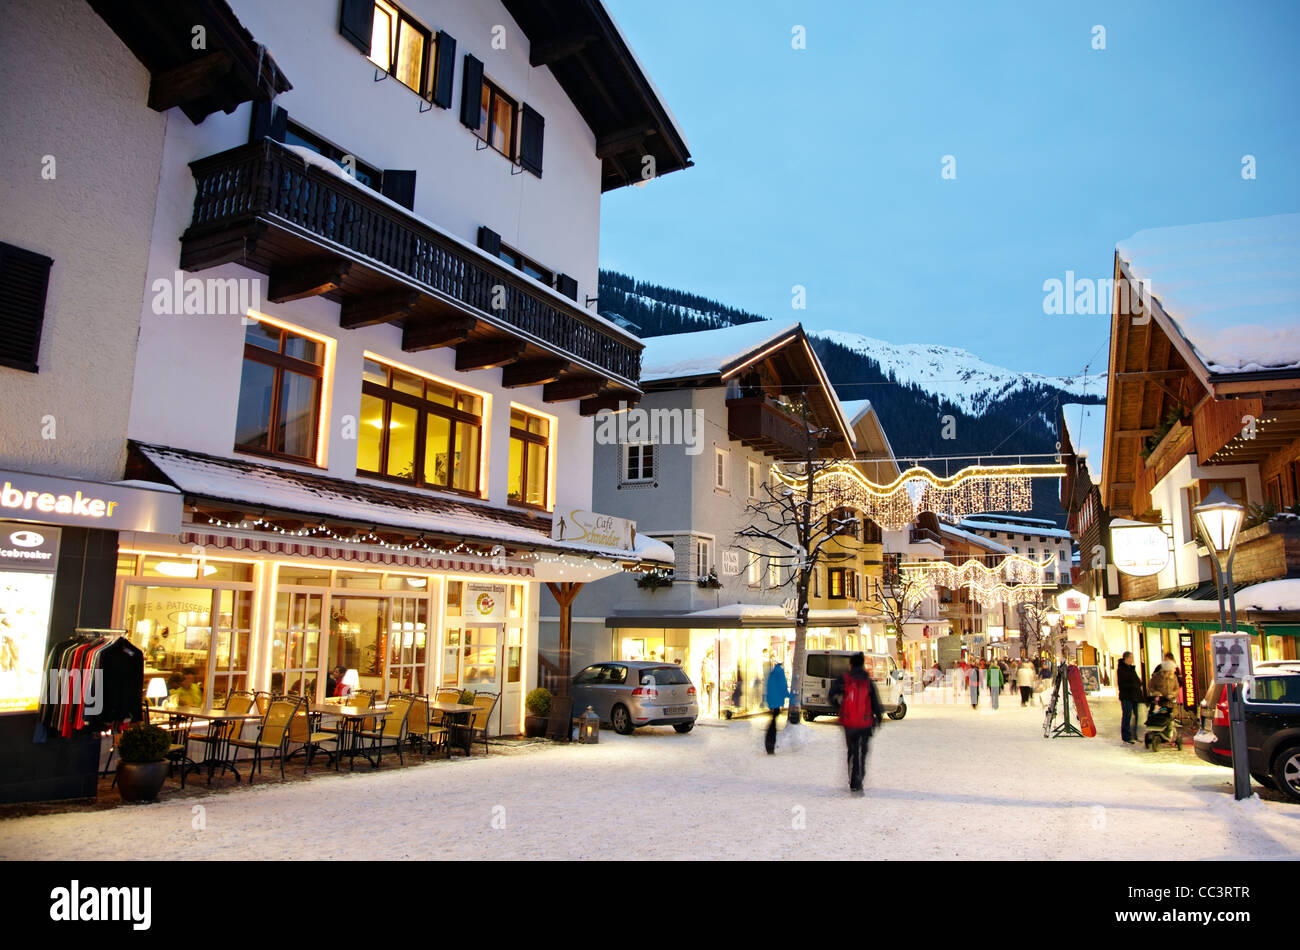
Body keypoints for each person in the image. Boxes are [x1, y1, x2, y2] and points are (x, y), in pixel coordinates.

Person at [828, 652, 884, 795]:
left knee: (852, 750)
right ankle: (859, 777)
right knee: (863, 751)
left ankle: (853, 779)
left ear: (851, 664)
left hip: (849, 722)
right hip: (865, 723)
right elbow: (875, 701)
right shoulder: (867, 680)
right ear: (862, 664)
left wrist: (839, 706)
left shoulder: (844, 679)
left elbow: (831, 696)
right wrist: (878, 717)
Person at [1116, 652, 1144, 744]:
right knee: (1127, 716)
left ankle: (1134, 735)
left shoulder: (1131, 669)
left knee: (1136, 716)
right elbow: (1123, 684)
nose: (1132, 659)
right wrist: (1134, 685)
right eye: (1131, 657)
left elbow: (1137, 681)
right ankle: (1126, 736)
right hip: (1127, 696)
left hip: (1134, 696)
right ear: (1126, 658)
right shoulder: (1121, 669)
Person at [764, 661, 789, 755]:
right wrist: (787, 694)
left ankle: (769, 744)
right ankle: (770, 744)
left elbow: (769, 687)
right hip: (778, 700)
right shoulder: (780, 672)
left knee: (773, 720)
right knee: (774, 721)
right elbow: (783, 685)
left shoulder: (772, 673)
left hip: (772, 700)